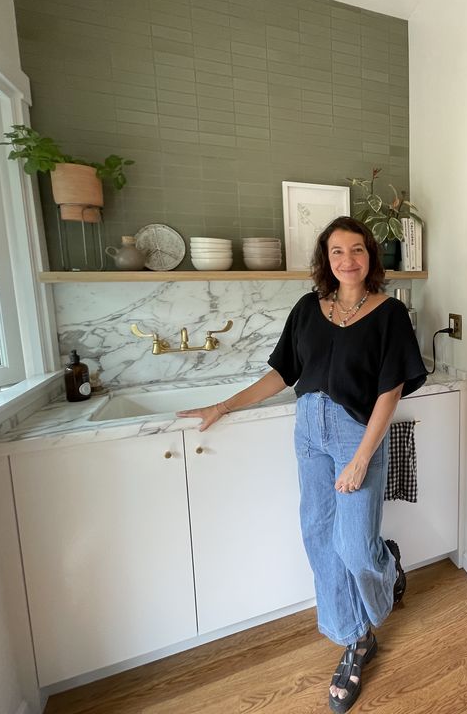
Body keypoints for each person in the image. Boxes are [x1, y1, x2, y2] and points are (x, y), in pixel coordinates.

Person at [178, 216, 426, 712]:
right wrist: (224, 405)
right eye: (337, 252)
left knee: (356, 548)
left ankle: (386, 563)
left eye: (356, 250)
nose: (347, 261)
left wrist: (361, 458)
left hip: (358, 434)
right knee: (319, 539)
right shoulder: (309, 309)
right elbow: (281, 375)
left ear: (370, 257)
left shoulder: (389, 313)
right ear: (325, 259)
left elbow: (390, 388)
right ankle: (354, 640)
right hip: (309, 432)